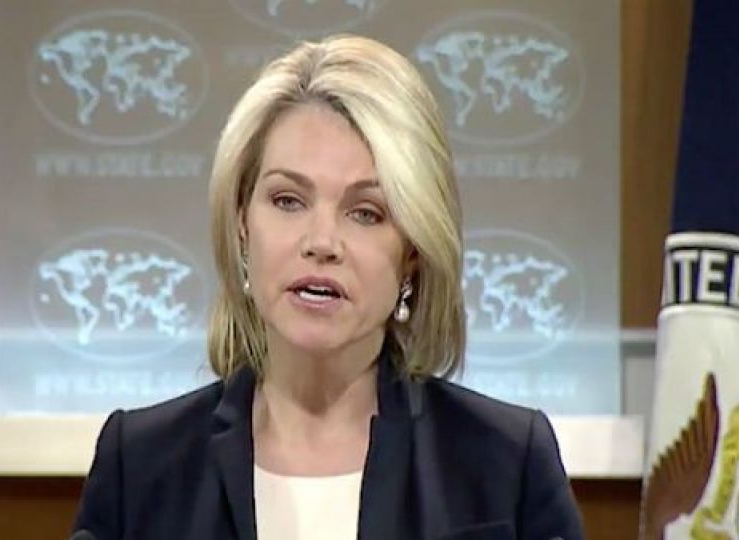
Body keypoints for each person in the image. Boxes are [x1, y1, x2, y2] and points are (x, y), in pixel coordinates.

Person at [72, 35, 585, 540]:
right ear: (242, 224)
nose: (322, 242)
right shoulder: (139, 464)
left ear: (412, 252)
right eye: (288, 201)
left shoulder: (506, 463)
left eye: (366, 212)